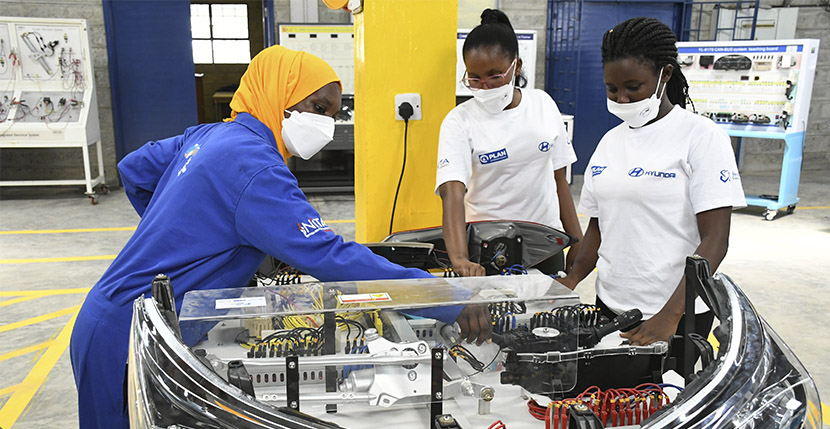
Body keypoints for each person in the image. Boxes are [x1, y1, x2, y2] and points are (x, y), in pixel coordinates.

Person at [69, 45, 491, 429]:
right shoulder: (256, 168)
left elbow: (134, 170)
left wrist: (186, 232)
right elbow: (331, 256)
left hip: (111, 318)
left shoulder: (210, 135)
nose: (326, 124)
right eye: (318, 108)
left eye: (333, 113)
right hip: (128, 338)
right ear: (279, 95)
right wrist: (446, 298)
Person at [556, 17, 746, 374]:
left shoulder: (701, 137)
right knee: (609, 400)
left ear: (665, 75)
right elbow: (599, 225)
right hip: (610, 306)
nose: (622, 99)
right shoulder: (610, 142)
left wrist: (670, 315)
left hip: (676, 315)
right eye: (612, 89)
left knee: (663, 400)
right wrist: (573, 277)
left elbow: (715, 240)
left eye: (633, 87)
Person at [436, 9, 583, 277]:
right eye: (474, 79)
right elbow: (452, 191)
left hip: (545, 244)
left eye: (495, 76)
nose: (485, 87)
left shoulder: (543, 104)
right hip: (487, 247)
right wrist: (459, 258)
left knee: (547, 304)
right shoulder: (459, 121)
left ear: (516, 66)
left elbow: (559, 179)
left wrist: (577, 241)